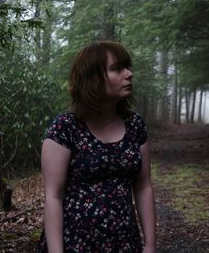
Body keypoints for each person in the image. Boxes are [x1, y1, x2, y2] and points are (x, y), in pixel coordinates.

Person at [36, 41, 156, 253]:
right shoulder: (66, 128)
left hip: (125, 243)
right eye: (117, 68)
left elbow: (143, 187)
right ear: (93, 78)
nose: (129, 74)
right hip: (74, 244)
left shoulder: (135, 125)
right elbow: (53, 197)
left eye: (127, 67)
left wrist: (150, 244)